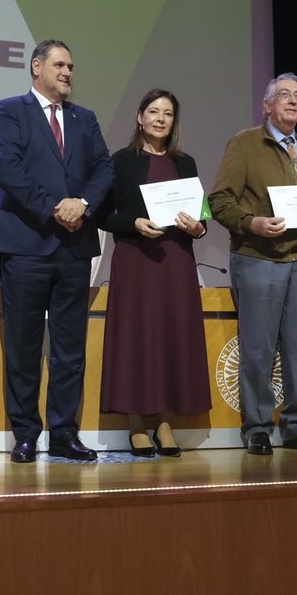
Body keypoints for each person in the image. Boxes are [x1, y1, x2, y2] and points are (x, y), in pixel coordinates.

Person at [0, 40, 115, 462]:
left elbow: (104, 169)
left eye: (72, 66)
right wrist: (54, 208)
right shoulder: (8, 110)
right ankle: (25, 434)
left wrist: (83, 204)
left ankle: (64, 433)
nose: (68, 72)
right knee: (23, 347)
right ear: (36, 67)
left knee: (69, 349)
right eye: (60, 65)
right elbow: (8, 169)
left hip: (75, 247)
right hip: (26, 246)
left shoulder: (85, 118)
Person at [209, 73, 297, 455]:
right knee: (258, 348)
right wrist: (252, 223)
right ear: (267, 105)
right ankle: (258, 427)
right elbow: (220, 200)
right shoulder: (246, 143)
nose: (293, 101)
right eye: (284, 95)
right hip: (259, 258)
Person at [99, 89, 211, 457]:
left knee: (170, 337)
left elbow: (201, 217)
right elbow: (103, 215)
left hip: (177, 261)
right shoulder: (121, 161)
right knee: (137, 338)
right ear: (139, 116)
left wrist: (199, 228)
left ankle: (164, 423)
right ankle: (136, 424)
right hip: (135, 260)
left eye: (168, 113)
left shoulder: (186, 162)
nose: (161, 118)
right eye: (153, 111)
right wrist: (133, 223)